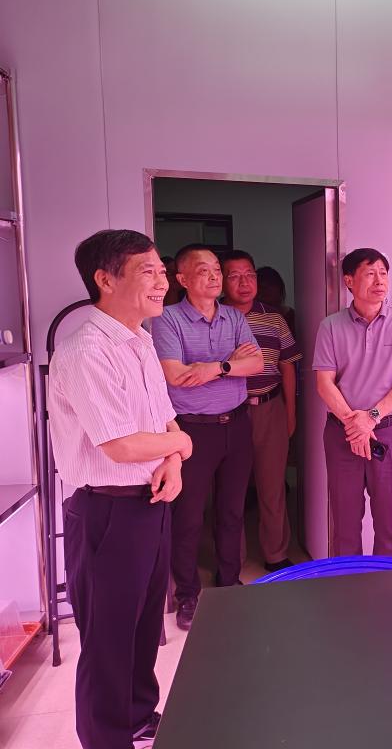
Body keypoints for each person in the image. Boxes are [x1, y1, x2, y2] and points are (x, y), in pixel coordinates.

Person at [48, 230, 194, 749]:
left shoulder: (140, 341)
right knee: (108, 638)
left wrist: (174, 460)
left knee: (143, 625)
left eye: (161, 270)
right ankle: (106, 738)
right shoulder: (86, 350)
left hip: (150, 503)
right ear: (105, 280)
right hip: (106, 512)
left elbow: (164, 418)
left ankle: (136, 715)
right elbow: (121, 445)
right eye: (147, 271)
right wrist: (182, 443)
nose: (161, 282)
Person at [152, 244, 263, 631]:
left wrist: (215, 367)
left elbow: (257, 363)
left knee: (232, 511)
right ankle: (187, 594)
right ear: (182, 279)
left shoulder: (233, 316)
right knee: (188, 515)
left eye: (217, 269)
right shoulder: (167, 319)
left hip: (237, 423)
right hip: (192, 430)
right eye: (204, 270)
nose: (215, 276)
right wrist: (233, 364)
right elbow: (175, 375)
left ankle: (229, 582)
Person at [313, 248, 392, 556]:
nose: (379, 281)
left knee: (388, 523)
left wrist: (371, 418)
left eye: (383, 274)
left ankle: (386, 584)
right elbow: (324, 383)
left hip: (390, 432)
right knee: (345, 523)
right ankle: (349, 584)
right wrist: (355, 425)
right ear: (349, 281)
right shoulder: (330, 326)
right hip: (342, 434)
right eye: (370, 273)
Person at [221, 249, 301, 572]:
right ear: (221, 281)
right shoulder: (213, 318)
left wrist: (290, 413)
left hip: (270, 408)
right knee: (231, 491)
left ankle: (276, 554)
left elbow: (288, 367)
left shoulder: (274, 318)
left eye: (250, 275)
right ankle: (232, 560)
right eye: (235, 276)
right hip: (229, 412)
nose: (245, 283)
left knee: (272, 487)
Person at [255, 265, 296, 335]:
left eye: (269, 285)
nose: (265, 290)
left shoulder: (292, 318)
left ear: (279, 288)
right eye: (261, 287)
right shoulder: (249, 319)